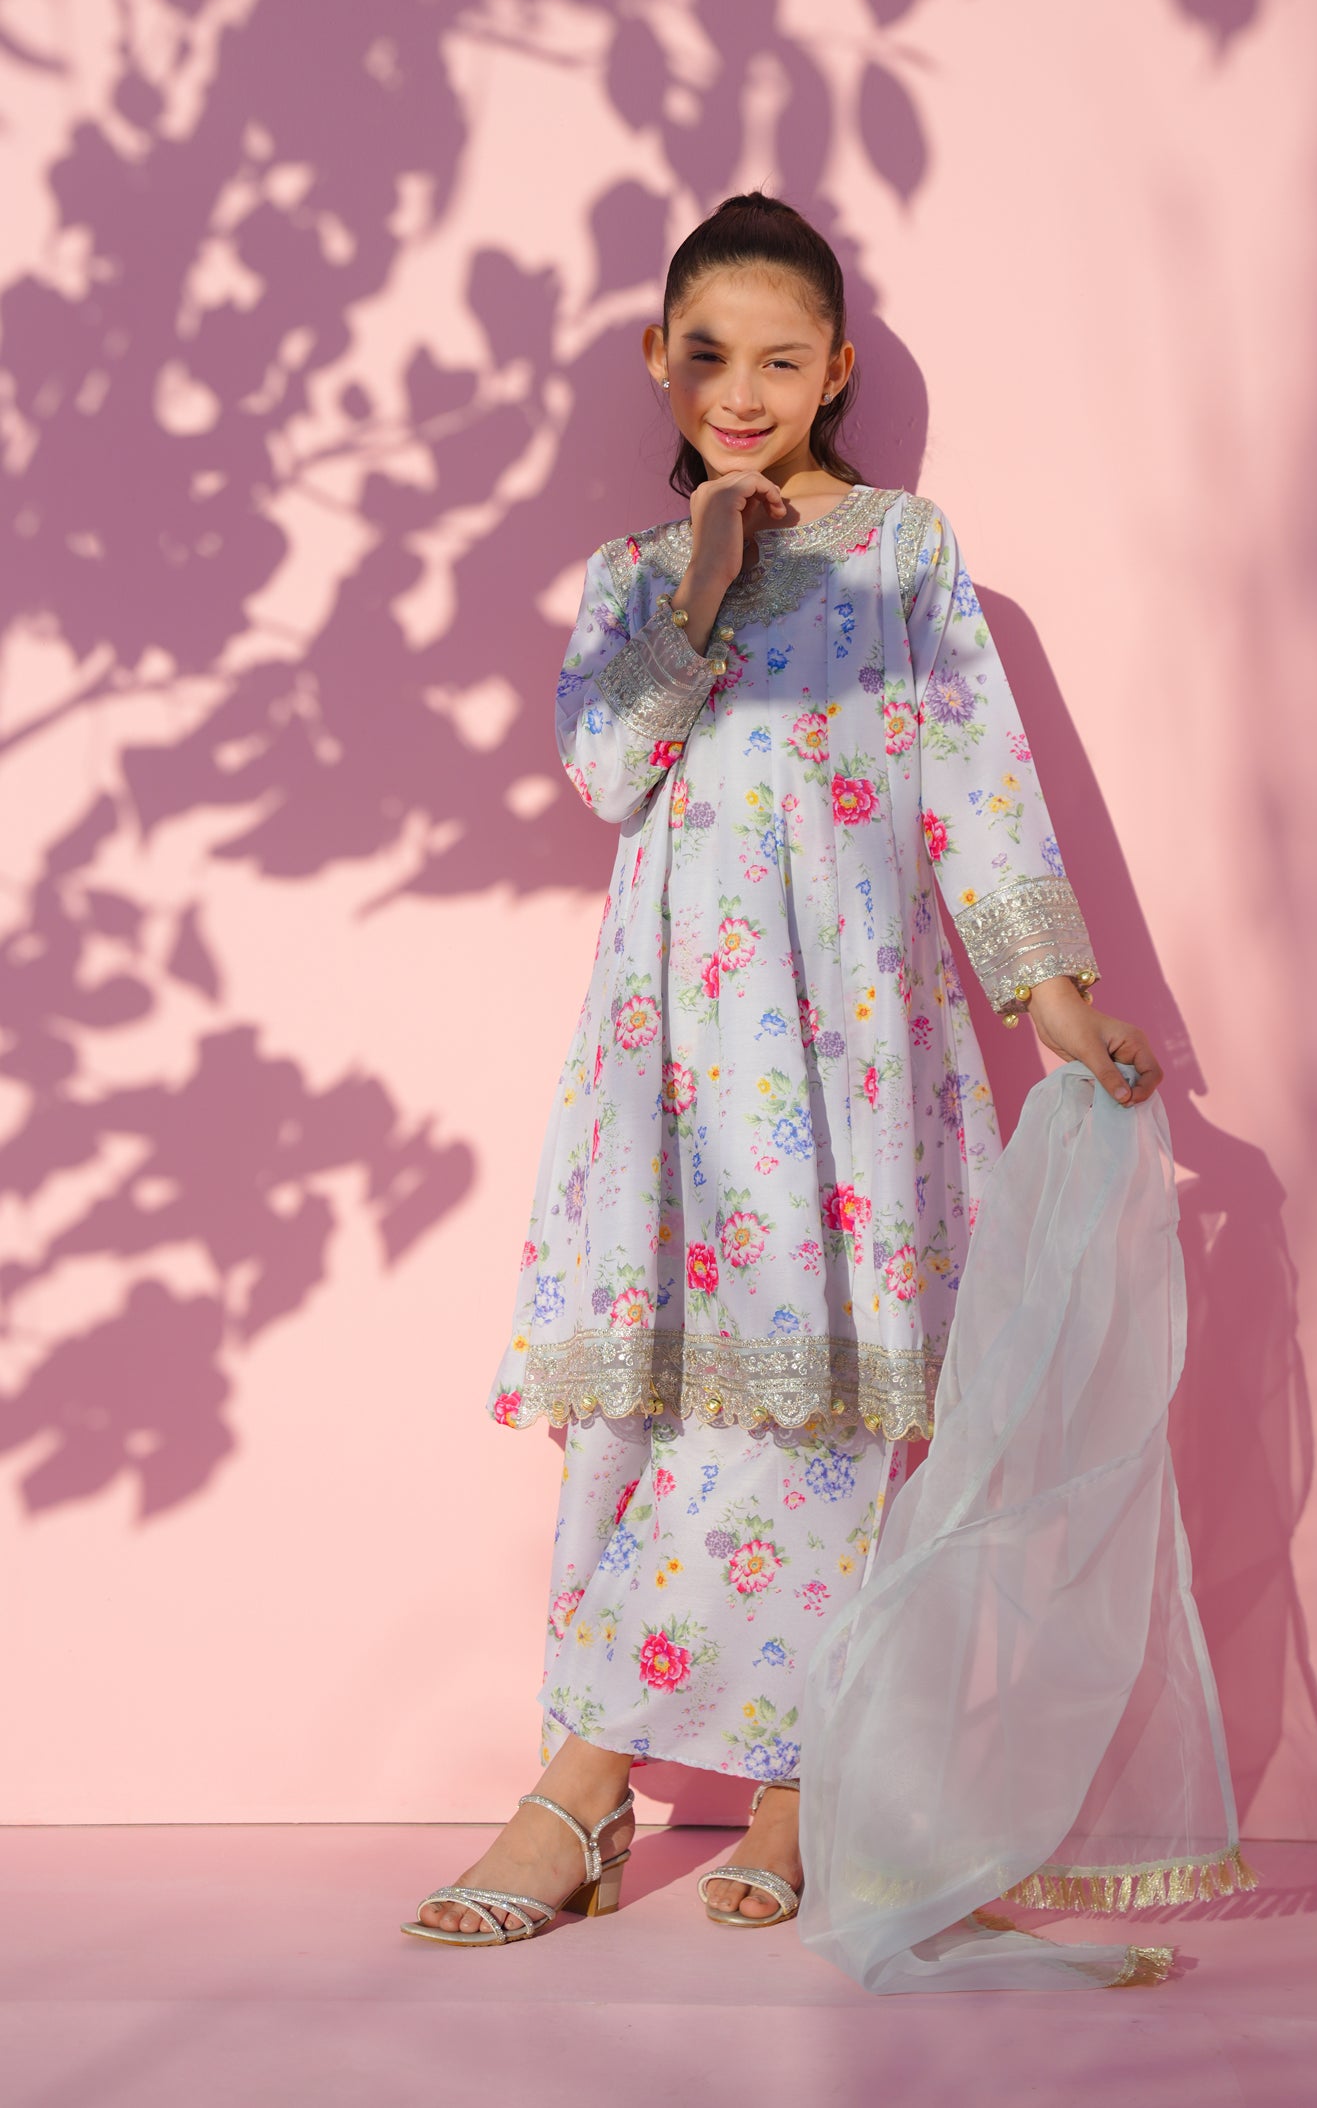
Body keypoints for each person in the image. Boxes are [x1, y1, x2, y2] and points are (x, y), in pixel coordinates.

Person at [401, 191, 1162, 1945]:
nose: (740, 394)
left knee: (828, 1406)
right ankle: (608, 1791)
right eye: (706, 356)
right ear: (655, 362)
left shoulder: (905, 551)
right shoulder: (632, 580)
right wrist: (703, 579)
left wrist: (1052, 995)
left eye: (779, 360)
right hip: (675, 1056)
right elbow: (607, 774)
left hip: (855, 1044)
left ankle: (762, 1786)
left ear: (836, 372)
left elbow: (975, 773)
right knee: (659, 1412)